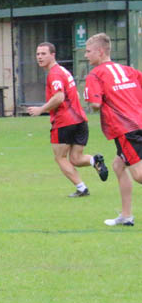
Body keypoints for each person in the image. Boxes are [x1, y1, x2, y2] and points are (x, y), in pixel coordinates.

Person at [26, 42, 108, 196]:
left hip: (64, 121)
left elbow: (59, 97)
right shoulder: (63, 71)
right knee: (76, 158)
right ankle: (94, 161)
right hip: (80, 120)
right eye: (38, 54)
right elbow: (75, 94)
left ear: (53, 55)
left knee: (60, 158)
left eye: (43, 54)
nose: (39, 57)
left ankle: (82, 189)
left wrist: (41, 109)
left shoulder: (54, 74)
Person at [82, 32, 142, 226]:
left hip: (126, 128)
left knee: (139, 174)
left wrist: (90, 100)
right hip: (138, 122)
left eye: (88, 51)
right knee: (118, 165)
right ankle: (126, 215)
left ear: (100, 52)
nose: (85, 55)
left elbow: (96, 104)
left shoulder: (95, 75)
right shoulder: (129, 70)